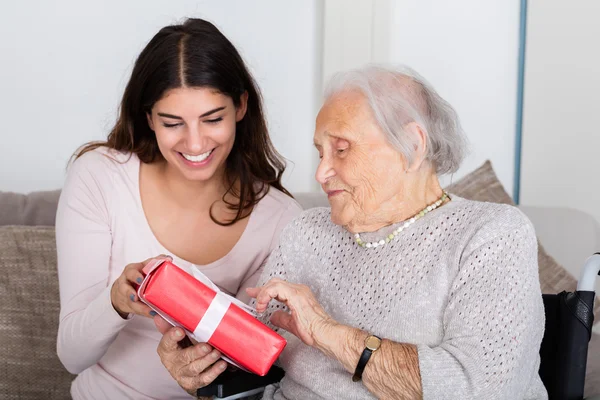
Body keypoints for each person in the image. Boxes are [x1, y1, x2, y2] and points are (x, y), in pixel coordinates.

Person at [156, 65, 547, 399]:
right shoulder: (307, 232)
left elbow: (482, 388)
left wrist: (325, 331)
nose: (321, 173)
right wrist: (198, 368)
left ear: (412, 145)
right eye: (320, 152)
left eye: (341, 149)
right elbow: (255, 363)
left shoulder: (492, 234)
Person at [55, 18, 301, 400]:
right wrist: (117, 301)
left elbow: (264, 363)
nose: (195, 142)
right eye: (173, 123)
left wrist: (205, 360)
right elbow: (72, 356)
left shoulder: (279, 218)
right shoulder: (99, 177)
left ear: (240, 106)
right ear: (149, 118)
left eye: (213, 119)